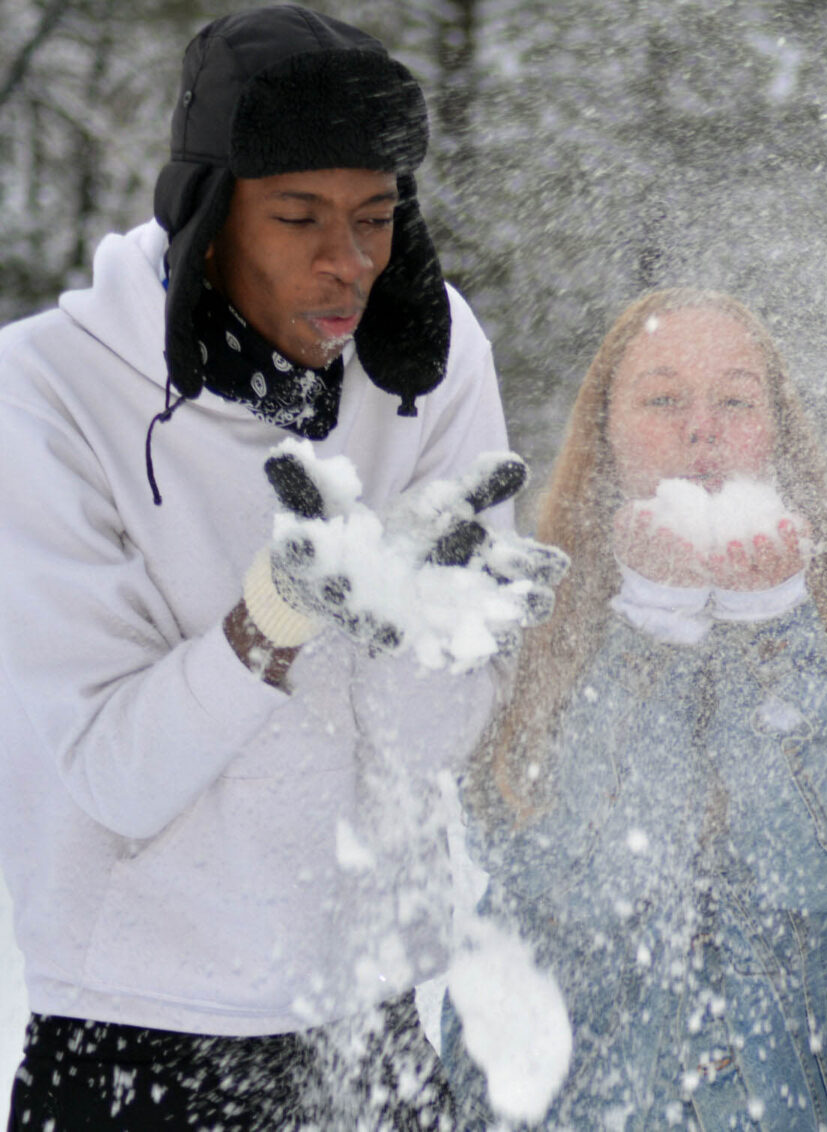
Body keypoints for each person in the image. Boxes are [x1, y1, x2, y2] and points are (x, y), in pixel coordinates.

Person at [0, 6, 560, 1128]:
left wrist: (434, 630)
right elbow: (111, 772)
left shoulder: (435, 363)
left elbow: (423, 752)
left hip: (369, 1020)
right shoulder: (48, 392)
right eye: (297, 215)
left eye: (375, 215)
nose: (347, 262)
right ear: (207, 216)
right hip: (136, 1029)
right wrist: (276, 614)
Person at [443, 288, 827, 1128]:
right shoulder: (524, 624)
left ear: (778, 433)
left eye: (736, 400)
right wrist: (647, 632)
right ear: (605, 431)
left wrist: (767, 637)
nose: (701, 430)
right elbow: (571, 873)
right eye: (663, 400)